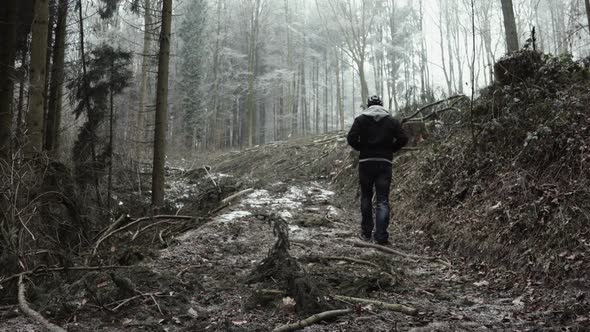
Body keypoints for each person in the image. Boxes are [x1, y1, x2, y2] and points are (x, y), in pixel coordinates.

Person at [347, 95, 408, 245]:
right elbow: (403, 138)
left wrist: (362, 148)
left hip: (366, 163)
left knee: (366, 197)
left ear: (368, 105)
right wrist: (391, 149)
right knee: (382, 200)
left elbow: (351, 137)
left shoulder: (361, 120)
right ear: (382, 105)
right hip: (384, 163)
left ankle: (366, 233)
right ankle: (381, 236)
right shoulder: (391, 121)